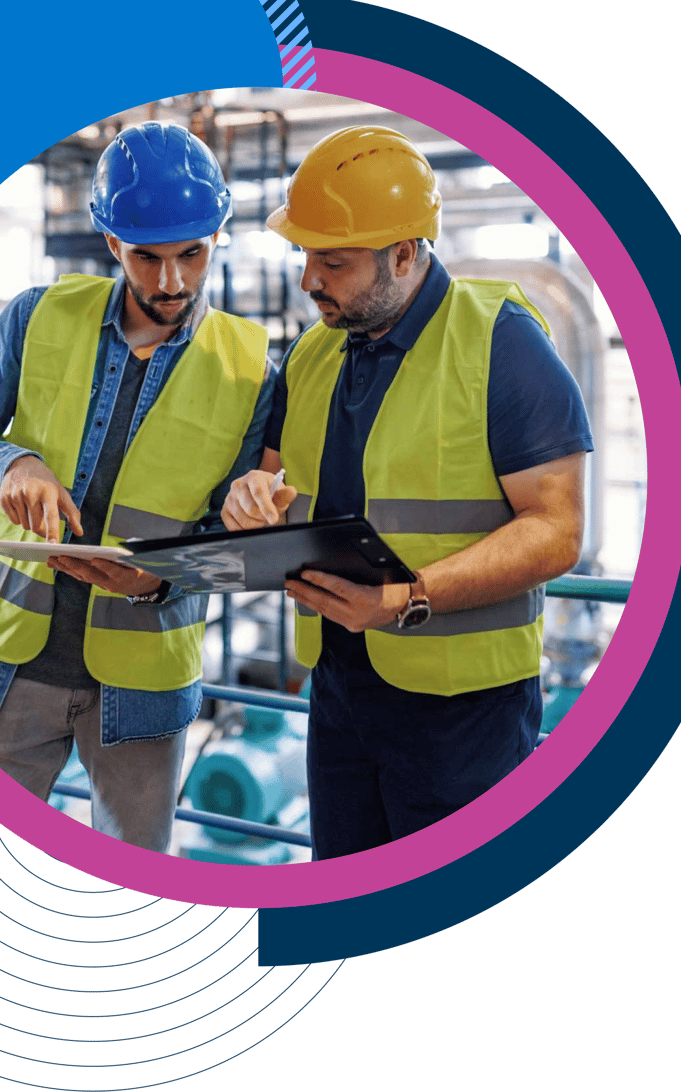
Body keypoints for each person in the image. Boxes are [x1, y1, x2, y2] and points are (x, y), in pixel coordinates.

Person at [223, 126, 593, 860]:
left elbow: (557, 527)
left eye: (332, 261)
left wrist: (409, 598)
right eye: (305, 256)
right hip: (337, 696)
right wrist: (250, 497)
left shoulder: (501, 342)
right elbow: (268, 477)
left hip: (466, 720)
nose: (308, 281)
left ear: (404, 253)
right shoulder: (312, 352)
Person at [0, 122, 275, 852]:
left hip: (143, 691)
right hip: (5, 673)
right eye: (147, 257)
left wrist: (155, 582)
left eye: (192, 254)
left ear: (217, 236)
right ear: (112, 242)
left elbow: (227, 539)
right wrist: (7, 464)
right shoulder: (37, 317)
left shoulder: (251, 371)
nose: (171, 281)